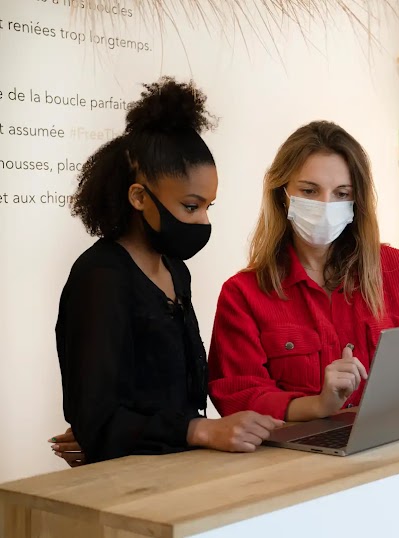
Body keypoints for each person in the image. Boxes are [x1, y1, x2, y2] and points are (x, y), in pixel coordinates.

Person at [49, 77, 282, 466]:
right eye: (191, 207)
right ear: (139, 197)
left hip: (178, 469)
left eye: (209, 206)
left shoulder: (175, 270)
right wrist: (199, 430)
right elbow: (98, 420)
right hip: (127, 487)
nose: (203, 220)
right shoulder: (100, 278)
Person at [207, 120, 399, 422]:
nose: (326, 204)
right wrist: (317, 406)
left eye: (342, 194)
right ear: (282, 194)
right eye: (309, 190)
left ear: (357, 202)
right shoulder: (244, 293)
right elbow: (237, 398)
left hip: (398, 449)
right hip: (296, 460)